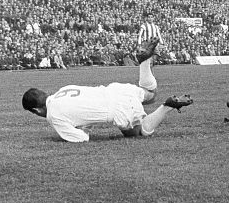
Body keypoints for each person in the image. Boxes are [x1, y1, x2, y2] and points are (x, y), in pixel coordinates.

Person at [22, 37, 193, 142]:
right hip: (114, 90)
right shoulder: (63, 89)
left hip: (115, 108)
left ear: (37, 110)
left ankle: (168, 105)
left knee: (138, 133)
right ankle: (144, 62)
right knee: (150, 95)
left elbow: (82, 138)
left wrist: (83, 126)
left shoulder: (53, 116)